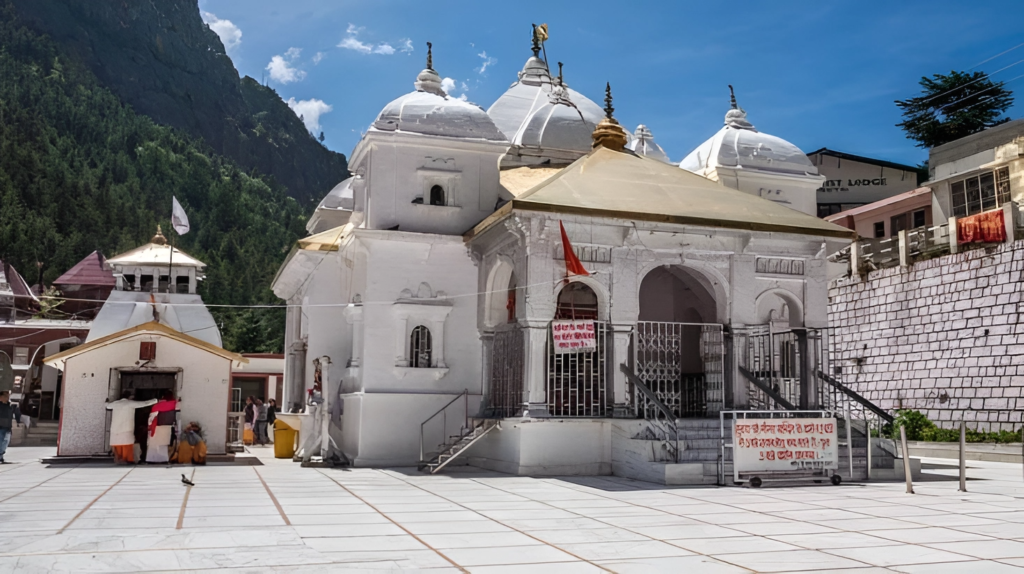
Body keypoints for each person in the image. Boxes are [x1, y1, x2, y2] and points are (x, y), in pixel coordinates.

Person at [106, 391, 157, 464]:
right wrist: (155, 400)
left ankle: (119, 460)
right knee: (127, 446)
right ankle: (128, 460)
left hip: (115, 430)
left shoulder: (115, 404)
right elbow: (144, 403)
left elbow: (107, 405)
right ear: (129, 397)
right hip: (126, 429)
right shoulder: (130, 403)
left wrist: (106, 401)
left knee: (117, 446)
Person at [146, 391, 177, 463]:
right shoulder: (174, 404)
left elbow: (152, 418)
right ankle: (163, 459)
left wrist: (149, 426)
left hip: (157, 427)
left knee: (153, 445)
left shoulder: (157, 406)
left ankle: (152, 459)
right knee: (163, 445)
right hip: (168, 427)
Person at [0, 391, 22, 464]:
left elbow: (17, 414)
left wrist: (18, 421)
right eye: (6, 396)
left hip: (7, 426)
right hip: (0, 427)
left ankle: (1, 456)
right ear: (1, 397)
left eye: (8, 396)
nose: (8, 397)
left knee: (5, 442)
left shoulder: (11, 406)